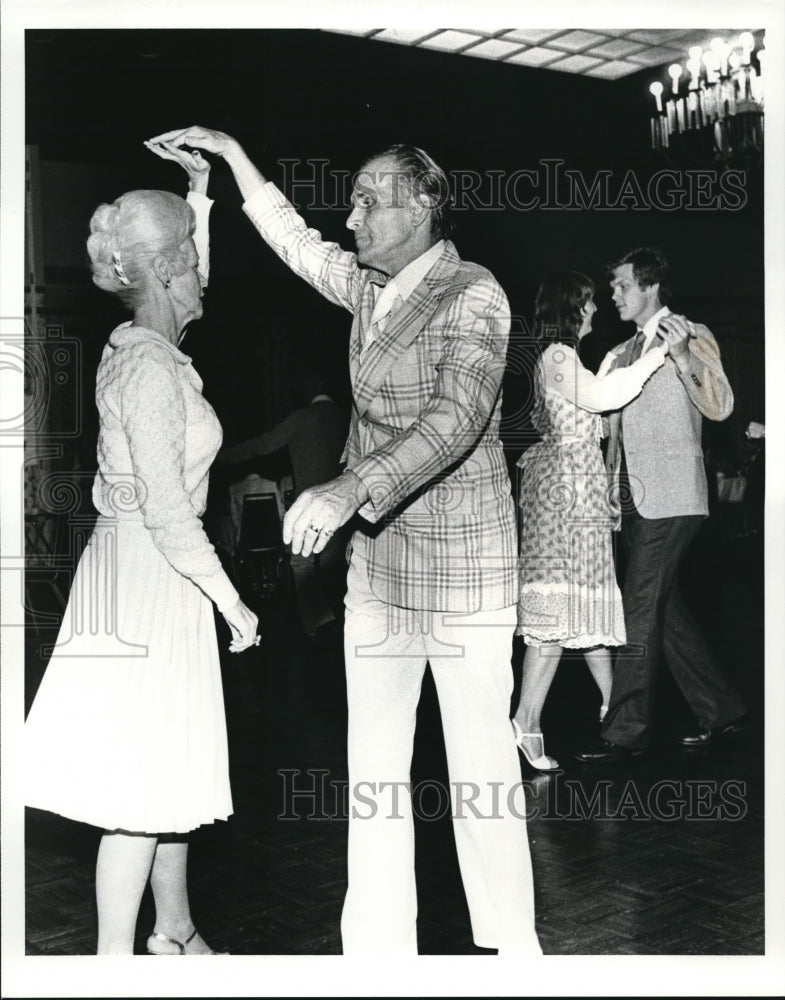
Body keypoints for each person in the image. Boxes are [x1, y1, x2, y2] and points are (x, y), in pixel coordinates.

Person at [148, 125, 541, 956]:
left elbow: (458, 418)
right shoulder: (368, 288)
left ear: (426, 204)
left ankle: (514, 953)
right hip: (380, 572)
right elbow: (294, 240)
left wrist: (349, 485)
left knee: (480, 776)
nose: (352, 214)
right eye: (353, 199)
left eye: (370, 200)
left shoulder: (474, 294)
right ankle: (374, 954)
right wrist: (233, 159)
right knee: (373, 776)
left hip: (468, 571)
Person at [24, 146, 259, 955]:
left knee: (168, 773)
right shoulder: (150, 373)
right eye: (189, 261)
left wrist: (201, 195)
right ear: (162, 270)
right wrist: (231, 599)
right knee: (135, 797)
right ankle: (113, 965)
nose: (204, 274)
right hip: (150, 579)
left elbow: (190, 269)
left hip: (152, 575)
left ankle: (176, 934)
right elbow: (165, 509)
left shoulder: (147, 343)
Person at [575, 247, 748, 764]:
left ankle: (625, 729)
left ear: (650, 287)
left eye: (622, 286)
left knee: (638, 607)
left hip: (673, 495)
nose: (613, 295)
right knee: (663, 611)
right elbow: (612, 428)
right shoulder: (624, 349)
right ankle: (724, 709)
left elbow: (721, 405)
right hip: (630, 500)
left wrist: (684, 357)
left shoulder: (689, 333)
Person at [511, 271, 669, 771]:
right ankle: (525, 722)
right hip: (566, 496)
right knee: (557, 617)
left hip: (577, 490)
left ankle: (614, 710)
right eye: (587, 304)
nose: (595, 311)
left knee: (588, 613)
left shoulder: (565, 361)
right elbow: (605, 399)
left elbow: (593, 400)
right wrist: (658, 354)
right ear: (570, 309)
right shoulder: (557, 357)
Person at [218, 373, 348, 635]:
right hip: (344, 509)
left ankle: (319, 630)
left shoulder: (303, 417)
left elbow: (261, 446)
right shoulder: (345, 418)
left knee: (301, 565)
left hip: (312, 510)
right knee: (337, 567)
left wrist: (219, 456)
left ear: (312, 385)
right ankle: (336, 628)